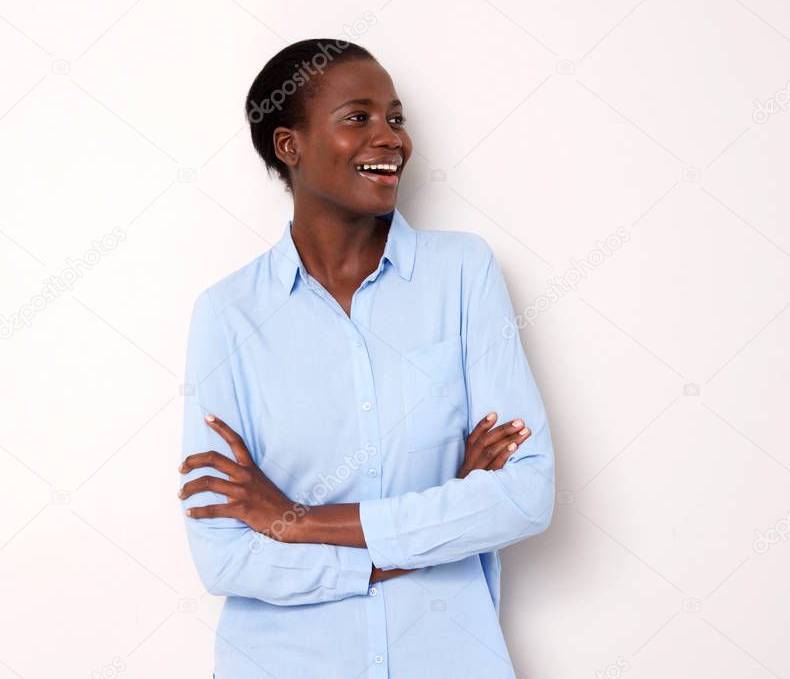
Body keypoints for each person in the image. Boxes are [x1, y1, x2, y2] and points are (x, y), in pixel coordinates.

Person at [176, 38, 555, 678]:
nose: (392, 139)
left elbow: (524, 496)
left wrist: (299, 522)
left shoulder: (462, 274)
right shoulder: (228, 315)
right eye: (359, 118)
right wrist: (442, 517)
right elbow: (226, 558)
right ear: (289, 146)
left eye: (396, 119)